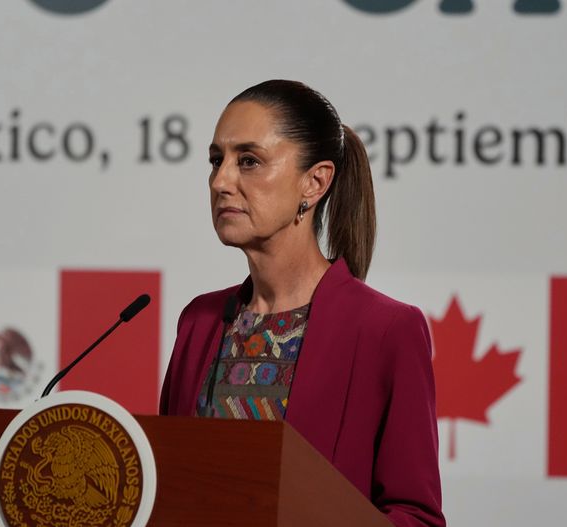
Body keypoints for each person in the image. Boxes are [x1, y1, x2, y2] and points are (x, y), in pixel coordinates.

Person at [159, 80, 445, 527]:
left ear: (315, 182)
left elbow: (416, 517)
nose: (220, 181)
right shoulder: (199, 321)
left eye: (248, 161)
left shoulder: (386, 329)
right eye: (216, 160)